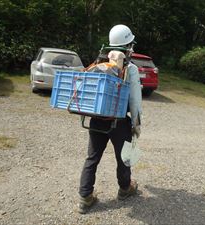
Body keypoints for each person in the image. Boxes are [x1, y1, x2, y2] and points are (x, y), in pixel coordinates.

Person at [78, 24, 142, 214]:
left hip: (97, 119)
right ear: (127, 45)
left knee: (92, 157)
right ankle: (125, 189)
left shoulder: (99, 63)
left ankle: (85, 197)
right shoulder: (130, 69)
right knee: (124, 158)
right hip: (119, 122)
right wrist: (137, 124)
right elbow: (135, 101)